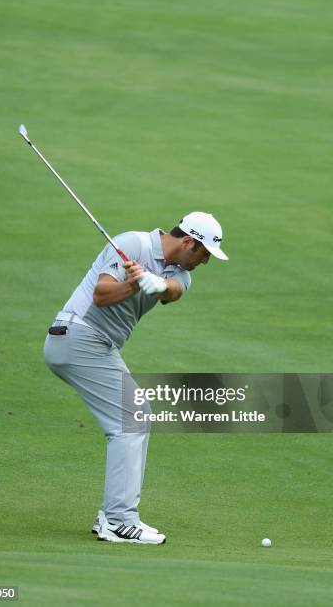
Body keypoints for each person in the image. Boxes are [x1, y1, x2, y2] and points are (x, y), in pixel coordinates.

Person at [43, 211, 228, 544]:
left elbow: (173, 291)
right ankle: (119, 520)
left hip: (96, 344)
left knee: (135, 418)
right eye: (204, 254)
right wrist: (134, 283)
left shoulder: (181, 273)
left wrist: (154, 282)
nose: (205, 262)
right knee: (134, 418)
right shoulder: (133, 243)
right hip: (77, 336)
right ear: (189, 242)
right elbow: (101, 295)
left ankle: (114, 517)